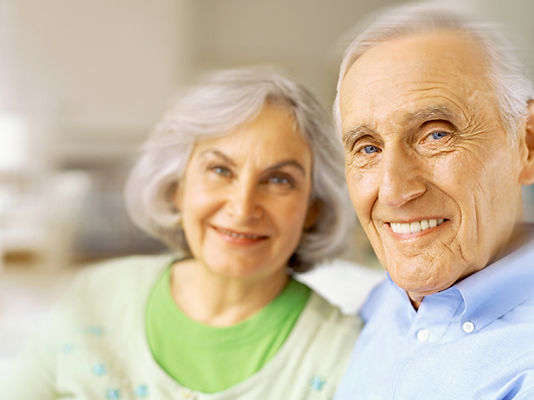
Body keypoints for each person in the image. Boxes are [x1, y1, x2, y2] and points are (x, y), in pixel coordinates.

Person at [2, 68, 362, 399]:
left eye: (279, 180)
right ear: (177, 186)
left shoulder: (341, 351)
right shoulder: (95, 296)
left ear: (313, 208)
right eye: (220, 170)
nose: (242, 207)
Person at [332, 3, 534, 399]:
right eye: (367, 148)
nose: (392, 190)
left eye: (436, 134)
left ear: (529, 142)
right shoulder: (381, 305)